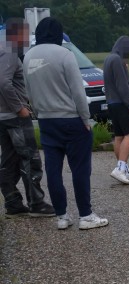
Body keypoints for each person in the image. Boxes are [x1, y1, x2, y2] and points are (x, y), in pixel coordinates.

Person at [22, 17, 108, 230]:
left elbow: (28, 92)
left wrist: (39, 111)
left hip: (46, 121)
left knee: (53, 170)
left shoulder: (28, 56)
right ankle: (85, 216)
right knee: (80, 169)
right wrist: (86, 118)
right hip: (71, 120)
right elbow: (78, 91)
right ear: (59, 35)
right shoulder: (65, 55)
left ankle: (62, 216)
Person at [0, 18, 55, 218]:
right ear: (16, 34)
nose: (26, 39)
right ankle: (37, 203)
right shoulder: (10, 53)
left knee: (8, 160)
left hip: (2, 117)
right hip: (15, 117)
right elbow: (4, 83)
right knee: (29, 159)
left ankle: (13, 203)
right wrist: (20, 108)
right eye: (25, 34)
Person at [103, 35, 129, 185]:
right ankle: (120, 168)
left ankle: (124, 168)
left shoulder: (109, 59)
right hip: (122, 103)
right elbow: (122, 85)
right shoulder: (117, 60)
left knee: (119, 136)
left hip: (112, 103)